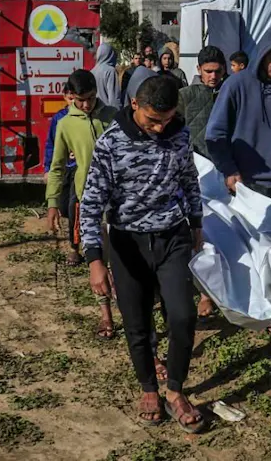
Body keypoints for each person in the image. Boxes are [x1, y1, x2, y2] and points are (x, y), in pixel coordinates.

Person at [79, 75, 206, 433]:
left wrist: (196, 222)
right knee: (136, 323)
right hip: (127, 243)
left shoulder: (178, 135)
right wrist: (94, 261)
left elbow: (189, 180)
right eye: (153, 119)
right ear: (134, 104)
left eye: (165, 120)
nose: (159, 127)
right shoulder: (110, 144)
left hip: (172, 237)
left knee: (182, 316)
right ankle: (149, 388)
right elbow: (90, 206)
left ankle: (176, 390)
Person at [45, 70, 120, 339]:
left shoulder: (113, 116)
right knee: (96, 259)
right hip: (88, 203)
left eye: (89, 98)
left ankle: (129, 307)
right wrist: (53, 202)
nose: (86, 105)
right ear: (71, 96)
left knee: (120, 259)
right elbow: (57, 167)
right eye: (80, 100)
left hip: (120, 203)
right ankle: (105, 315)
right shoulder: (65, 125)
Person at [205, 26, 271, 205]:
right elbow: (215, 134)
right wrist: (229, 169)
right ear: (263, 54)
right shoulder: (236, 85)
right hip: (244, 182)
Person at [178, 45, 226, 318]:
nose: (213, 76)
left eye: (218, 71)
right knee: (194, 235)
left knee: (217, 235)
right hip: (193, 176)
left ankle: (209, 294)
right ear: (198, 70)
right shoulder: (185, 96)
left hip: (222, 175)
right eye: (208, 71)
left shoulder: (231, 94)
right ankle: (194, 287)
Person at [43, 85, 80, 265]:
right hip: (63, 168)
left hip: (79, 169)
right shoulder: (59, 118)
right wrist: (47, 169)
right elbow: (50, 144)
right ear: (65, 97)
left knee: (74, 207)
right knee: (64, 207)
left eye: (76, 98)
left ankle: (75, 249)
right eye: (70, 98)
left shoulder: (84, 119)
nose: (73, 102)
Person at [91, 43, 121, 109]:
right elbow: (114, 97)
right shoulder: (110, 71)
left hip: (94, 111)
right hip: (107, 112)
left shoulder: (92, 71)